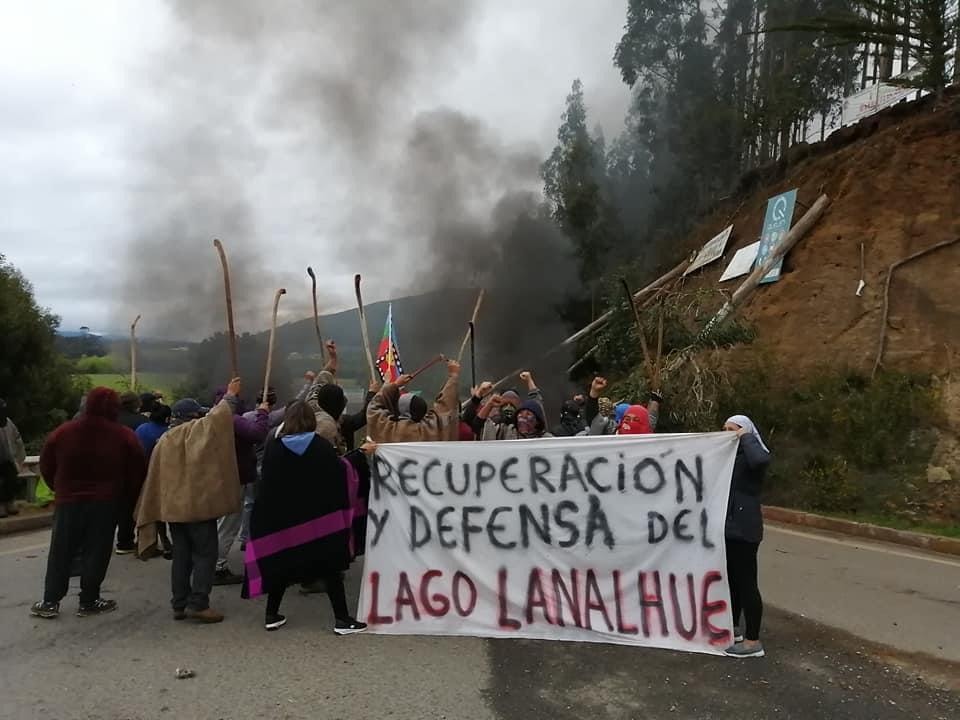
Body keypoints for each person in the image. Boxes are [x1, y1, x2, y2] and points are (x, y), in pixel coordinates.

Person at [241, 401, 371, 634]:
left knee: (281, 565)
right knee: (331, 568)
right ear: (312, 420)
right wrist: (360, 455)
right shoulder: (320, 446)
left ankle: (271, 615)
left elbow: (267, 484)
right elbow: (339, 473)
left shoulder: (274, 448)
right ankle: (342, 620)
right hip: (318, 520)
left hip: (282, 520)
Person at [30, 387, 147, 619]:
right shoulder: (123, 435)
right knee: (97, 550)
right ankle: (89, 599)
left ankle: (50, 601)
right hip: (106, 501)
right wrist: (127, 494)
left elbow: (46, 463)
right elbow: (137, 468)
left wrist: (58, 487)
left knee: (61, 549)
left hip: (68, 500)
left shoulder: (64, 432)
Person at [135, 395, 240, 624]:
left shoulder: (164, 439)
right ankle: (199, 603)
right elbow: (216, 419)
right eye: (197, 415)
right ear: (190, 418)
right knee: (205, 554)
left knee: (181, 556)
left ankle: (179, 603)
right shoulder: (194, 435)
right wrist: (230, 396)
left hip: (174, 509)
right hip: (197, 508)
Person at [723, 414, 771, 659]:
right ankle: (734, 629)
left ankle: (753, 641)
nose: (728, 433)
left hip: (745, 529)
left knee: (747, 583)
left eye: (733, 429)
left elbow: (761, 459)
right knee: (732, 580)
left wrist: (747, 437)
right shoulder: (730, 457)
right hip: (729, 528)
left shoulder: (754, 454)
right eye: (725, 429)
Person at [214, 379, 270, 585]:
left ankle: (212, 562)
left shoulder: (215, 418)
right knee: (227, 525)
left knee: (222, 523)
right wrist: (263, 412)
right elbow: (257, 433)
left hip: (223, 475)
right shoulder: (231, 419)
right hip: (234, 477)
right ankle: (217, 566)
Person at [366, 360, 461, 443]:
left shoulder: (386, 429)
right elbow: (445, 407)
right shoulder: (430, 429)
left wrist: (395, 385)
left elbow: (373, 407)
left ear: (399, 408)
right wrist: (453, 377)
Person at [135, 404, 173, 558]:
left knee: (144, 510)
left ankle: (142, 543)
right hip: (160, 477)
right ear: (167, 418)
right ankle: (166, 543)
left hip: (140, 474)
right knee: (161, 512)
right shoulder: (168, 434)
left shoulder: (141, 429)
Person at [115, 392, 147, 554]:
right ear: (136, 405)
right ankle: (125, 541)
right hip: (130, 471)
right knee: (128, 508)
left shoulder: (111, 419)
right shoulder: (141, 421)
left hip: (109, 470)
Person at [470, 372, 544, 441]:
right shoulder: (503, 431)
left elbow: (536, 405)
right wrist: (488, 403)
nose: (523, 418)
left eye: (528, 414)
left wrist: (529, 381)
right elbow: (477, 426)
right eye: (505, 404)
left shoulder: (545, 438)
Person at [0, 399, 26, 518]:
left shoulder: (8, 423)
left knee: (11, 479)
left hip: (8, 458)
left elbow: (17, 439)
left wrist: (19, 458)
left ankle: (9, 502)